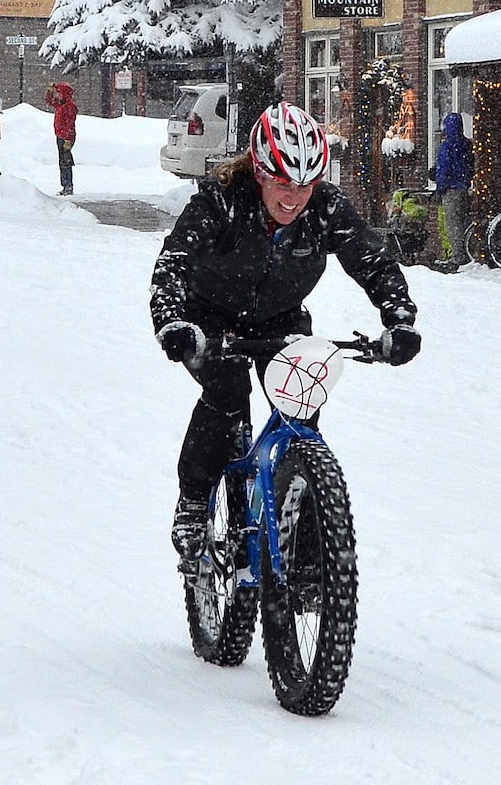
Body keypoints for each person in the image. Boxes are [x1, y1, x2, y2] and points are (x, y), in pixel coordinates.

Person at [150, 102, 421, 563]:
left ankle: (309, 541)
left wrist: (398, 318)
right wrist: (173, 322)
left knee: (301, 404)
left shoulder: (325, 208)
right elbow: (174, 262)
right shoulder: (220, 201)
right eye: (281, 183)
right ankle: (195, 502)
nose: (293, 197)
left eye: (304, 184)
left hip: (280, 317)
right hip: (210, 315)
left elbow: (370, 260)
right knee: (228, 393)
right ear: (258, 172)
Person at [433, 110, 473, 270]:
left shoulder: (447, 146)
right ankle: (466, 251)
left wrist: (439, 187)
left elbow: (444, 169)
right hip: (463, 188)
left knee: (452, 223)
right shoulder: (466, 144)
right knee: (463, 221)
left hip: (451, 189)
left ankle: (458, 256)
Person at [46, 81, 77, 196]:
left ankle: (68, 186)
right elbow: (49, 101)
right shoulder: (61, 104)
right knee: (62, 161)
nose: (57, 95)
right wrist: (50, 91)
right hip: (60, 136)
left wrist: (68, 139)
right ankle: (65, 185)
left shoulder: (69, 106)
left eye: (59, 92)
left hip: (66, 137)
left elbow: (70, 124)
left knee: (66, 162)